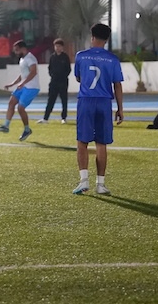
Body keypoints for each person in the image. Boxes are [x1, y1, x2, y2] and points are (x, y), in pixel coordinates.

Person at [72, 23, 124, 195]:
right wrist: (120, 108)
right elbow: (117, 85)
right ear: (107, 39)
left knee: (82, 141)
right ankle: (100, 184)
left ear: (92, 37)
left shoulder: (81, 56)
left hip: (86, 101)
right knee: (101, 143)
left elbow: (79, 78)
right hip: (104, 102)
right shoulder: (113, 59)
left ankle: (83, 181)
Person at [0, 40, 40, 141]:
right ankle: (6, 126)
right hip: (23, 86)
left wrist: (23, 83)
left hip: (31, 87)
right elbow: (23, 74)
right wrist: (12, 84)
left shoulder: (30, 58)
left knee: (20, 108)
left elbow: (33, 72)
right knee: (11, 102)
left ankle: (27, 129)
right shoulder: (22, 59)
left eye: (16, 50)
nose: (15, 52)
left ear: (23, 48)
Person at [38, 38, 71, 124]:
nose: (57, 48)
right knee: (51, 100)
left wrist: (63, 76)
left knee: (64, 100)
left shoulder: (65, 57)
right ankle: (45, 118)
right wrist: (52, 75)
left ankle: (64, 118)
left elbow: (68, 69)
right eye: (56, 46)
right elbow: (50, 68)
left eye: (59, 46)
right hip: (54, 82)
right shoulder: (52, 57)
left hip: (63, 82)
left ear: (62, 47)